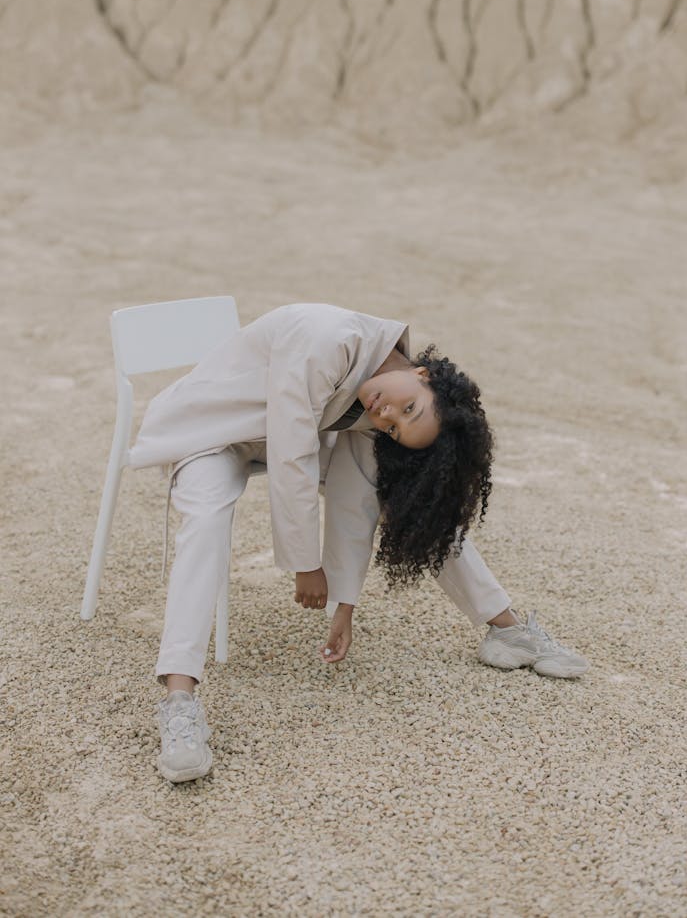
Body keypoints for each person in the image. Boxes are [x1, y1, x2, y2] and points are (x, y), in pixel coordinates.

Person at [129, 303, 588, 783]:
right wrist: (306, 564)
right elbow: (292, 455)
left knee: (408, 494)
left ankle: (507, 628)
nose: (386, 413)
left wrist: (343, 604)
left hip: (270, 437)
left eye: (396, 425)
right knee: (205, 517)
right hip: (211, 431)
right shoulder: (328, 339)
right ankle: (179, 702)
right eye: (407, 408)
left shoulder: (377, 397)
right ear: (423, 373)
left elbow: (352, 497)